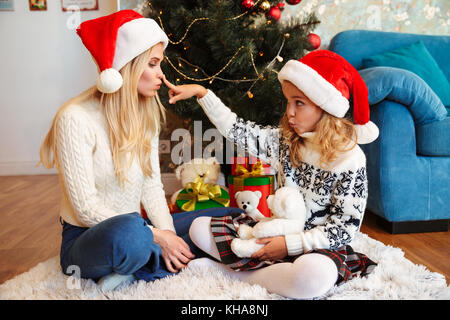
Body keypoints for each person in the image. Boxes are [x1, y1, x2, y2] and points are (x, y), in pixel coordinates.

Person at [38, 10, 242, 292]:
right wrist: (157, 237)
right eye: (153, 64)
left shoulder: (144, 115)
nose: (161, 74)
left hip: (142, 227)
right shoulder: (75, 118)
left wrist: (169, 237)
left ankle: (140, 269)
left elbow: (151, 187)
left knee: (228, 216)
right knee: (132, 237)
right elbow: (85, 209)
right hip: (93, 237)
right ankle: (154, 261)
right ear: (128, 67)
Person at [163, 50, 379, 299]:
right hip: (275, 231)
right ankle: (275, 273)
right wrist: (203, 94)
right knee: (198, 229)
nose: (290, 112)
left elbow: (345, 227)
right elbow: (238, 129)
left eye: (299, 103)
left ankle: (234, 273)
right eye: (288, 102)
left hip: (317, 247)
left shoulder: (350, 159)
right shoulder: (286, 142)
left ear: (326, 108)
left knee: (312, 278)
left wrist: (290, 245)